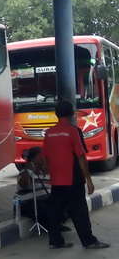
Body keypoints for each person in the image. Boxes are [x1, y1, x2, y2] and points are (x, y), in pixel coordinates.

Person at [42, 100, 109, 249]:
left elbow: (45, 157)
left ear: (56, 114)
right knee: (79, 211)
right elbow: (81, 156)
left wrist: (51, 174)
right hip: (73, 178)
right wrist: (89, 180)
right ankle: (89, 241)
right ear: (72, 114)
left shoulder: (49, 132)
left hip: (57, 179)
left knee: (55, 211)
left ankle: (56, 241)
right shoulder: (73, 131)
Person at [15, 147, 71, 232]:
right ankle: (53, 227)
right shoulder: (25, 172)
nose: (43, 158)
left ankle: (57, 224)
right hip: (28, 203)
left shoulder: (47, 171)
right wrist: (28, 169)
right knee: (47, 208)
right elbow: (24, 184)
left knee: (65, 203)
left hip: (44, 199)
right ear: (33, 159)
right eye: (40, 156)